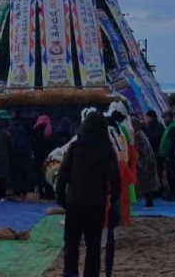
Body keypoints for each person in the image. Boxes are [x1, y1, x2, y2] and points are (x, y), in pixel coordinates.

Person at [55, 111, 121, 277]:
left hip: (74, 200)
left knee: (71, 243)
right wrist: (113, 199)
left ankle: (70, 274)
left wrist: (61, 196)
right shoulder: (107, 150)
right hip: (96, 203)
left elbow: (63, 173)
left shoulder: (76, 146)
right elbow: (114, 178)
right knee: (93, 245)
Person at [131, 118, 159, 207]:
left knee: (145, 181)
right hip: (146, 160)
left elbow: (141, 151)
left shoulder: (138, 136)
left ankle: (149, 201)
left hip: (144, 161)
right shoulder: (140, 134)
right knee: (146, 181)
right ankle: (148, 200)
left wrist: (140, 163)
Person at [9, 111, 33, 196]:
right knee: (24, 173)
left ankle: (16, 190)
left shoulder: (10, 127)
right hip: (25, 152)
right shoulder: (26, 125)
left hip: (14, 153)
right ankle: (24, 191)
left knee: (15, 173)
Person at [32, 114, 56, 200]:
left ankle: (40, 192)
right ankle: (49, 193)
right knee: (48, 175)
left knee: (39, 175)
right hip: (48, 155)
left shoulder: (35, 130)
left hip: (38, 155)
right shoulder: (52, 130)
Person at [158, 110, 175, 201]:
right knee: (168, 175)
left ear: (170, 118)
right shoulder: (169, 127)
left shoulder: (173, 128)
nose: (164, 119)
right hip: (167, 155)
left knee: (172, 175)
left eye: (165, 117)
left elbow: (173, 144)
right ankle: (170, 193)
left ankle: (173, 195)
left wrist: (169, 156)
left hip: (172, 157)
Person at [145, 110, 165, 195]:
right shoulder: (150, 126)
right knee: (152, 173)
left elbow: (157, 138)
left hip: (157, 153)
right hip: (151, 152)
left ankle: (159, 191)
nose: (147, 119)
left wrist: (148, 137)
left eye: (148, 117)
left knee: (157, 172)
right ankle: (154, 190)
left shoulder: (159, 127)